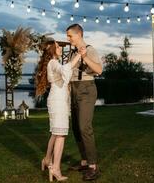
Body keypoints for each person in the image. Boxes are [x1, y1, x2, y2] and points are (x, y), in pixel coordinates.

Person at [35, 40, 81, 182]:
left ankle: (47, 159)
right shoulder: (53, 63)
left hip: (58, 100)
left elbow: (64, 71)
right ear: (52, 50)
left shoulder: (52, 63)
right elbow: (65, 69)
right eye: (57, 46)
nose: (60, 48)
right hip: (58, 102)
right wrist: (78, 55)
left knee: (56, 133)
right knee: (60, 135)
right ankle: (55, 168)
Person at [66, 24, 103, 181]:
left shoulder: (90, 49)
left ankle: (93, 167)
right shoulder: (71, 53)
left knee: (84, 127)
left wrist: (85, 57)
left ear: (79, 34)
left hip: (87, 89)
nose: (68, 39)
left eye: (70, 36)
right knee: (75, 127)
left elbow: (99, 70)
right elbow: (69, 72)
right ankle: (84, 161)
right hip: (74, 89)